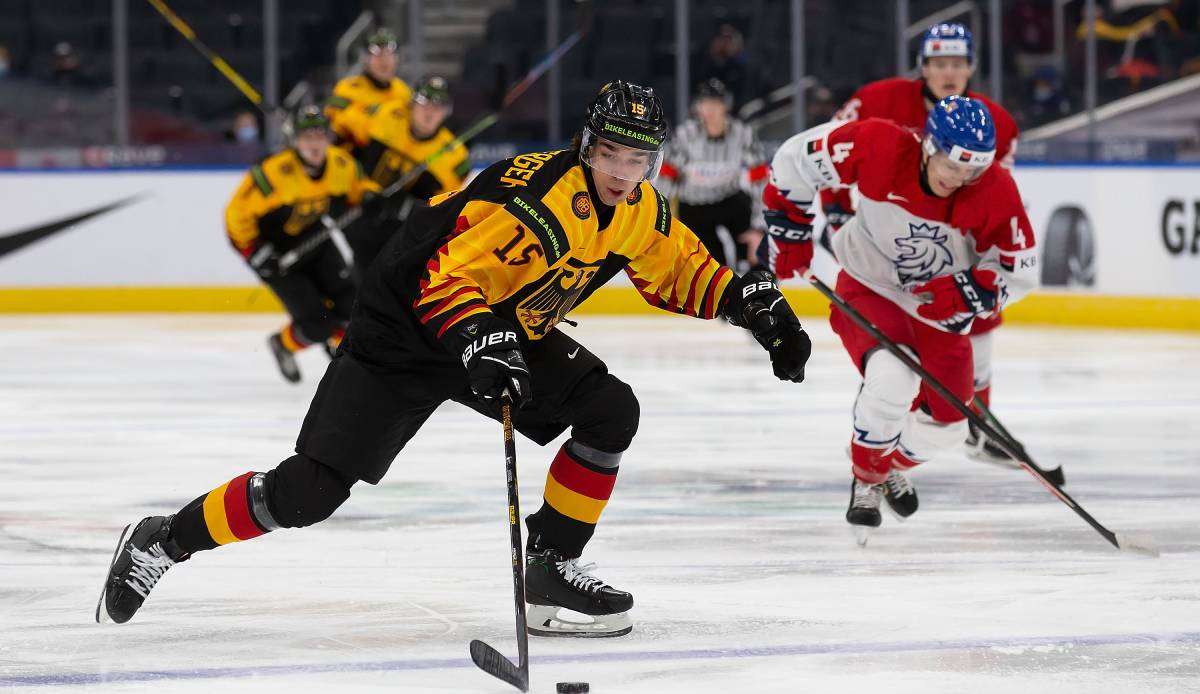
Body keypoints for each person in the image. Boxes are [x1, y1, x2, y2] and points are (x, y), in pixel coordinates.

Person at [96, 81, 811, 636]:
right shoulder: (534, 201)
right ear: (586, 147)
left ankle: (551, 565)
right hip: (402, 333)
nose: (624, 173)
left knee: (608, 409)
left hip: (499, 325)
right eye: (611, 155)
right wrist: (481, 338)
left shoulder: (641, 209)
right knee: (309, 493)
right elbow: (446, 280)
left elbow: (677, 269)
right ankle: (164, 540)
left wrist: (747, 304)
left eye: (639, 159)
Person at [760, 96, 1037, 545]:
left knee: (951, 425)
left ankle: (888, 466)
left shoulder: (995, 189)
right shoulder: (879, 145)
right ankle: (866, 478)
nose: (961, 178)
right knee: (893, 375)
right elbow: (795, 160)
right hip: (871, 283)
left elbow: (1020, 268)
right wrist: (788, 226)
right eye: (953, 164)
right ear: (931, 145)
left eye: (973, 170)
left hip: (937, 309)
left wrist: (972, 289)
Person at [821, 23, 1021, 464]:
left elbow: (994, 196)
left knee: (978, 325)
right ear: (923, 68)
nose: (949, 73)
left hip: (952, 250)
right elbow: (831, 147)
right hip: (884, 240)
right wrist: (834, 208)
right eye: (939, 63)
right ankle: (891, 423)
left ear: (971, 68)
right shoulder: (877, 100)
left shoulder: (997, 123)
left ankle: (972, 425)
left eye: (957, 63)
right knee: (892, 347)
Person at [223, 105, 378, 383]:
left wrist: (369, 197)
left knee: (353, 307)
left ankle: (340, 349)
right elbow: (236, 215)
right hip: (274, 251)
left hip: (313, 238)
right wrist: (253, 251)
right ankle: (282, 344)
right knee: (316, 325)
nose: (314, 143)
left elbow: (359, 187)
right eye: (307, 137)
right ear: (294, 140)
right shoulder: (274, 173)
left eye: (320, 135)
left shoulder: (340, 164)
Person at [338, 76, 470, 270]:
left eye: (438, 107)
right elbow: (342, 145)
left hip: (403, 235)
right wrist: (363, 189)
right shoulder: (386, 114)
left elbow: (442, 213)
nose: (430, 113)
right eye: (425, 105)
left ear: (445, 113)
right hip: (356, 213)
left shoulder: (455, 157)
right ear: (412, 104)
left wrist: (408, 207)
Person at [655, 79, 768, 273]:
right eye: (705, 103)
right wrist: (661, 221)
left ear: (726, 106)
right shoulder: (686, 136)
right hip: (694, 207)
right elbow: (667, 178)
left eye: (716, 103)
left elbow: (761, 181)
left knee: (759, 256)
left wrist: (759, 228)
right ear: (698, 107)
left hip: (730, 201)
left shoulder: (742, 134)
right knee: (711, 267)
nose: (710, 110)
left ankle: (762, 299)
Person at [325, 28, 412, 151]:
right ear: (365, 59)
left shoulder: (403, 91)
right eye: (377, 55)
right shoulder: (346, 88)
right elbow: (336, 129)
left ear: (397, 59)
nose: (384, 61)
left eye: (389, 54)